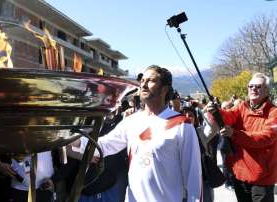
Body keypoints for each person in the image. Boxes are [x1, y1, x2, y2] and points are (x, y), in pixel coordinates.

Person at [71, 65, 202, 202]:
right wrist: (71, 140)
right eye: (142, 80)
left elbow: (193, 177)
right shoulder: (131, 121)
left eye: (151, 80)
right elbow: (104, 145)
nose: (144, 85)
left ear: (164, 89)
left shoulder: (182, 125)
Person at [207, 72, 277, 202]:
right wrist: (216, 112)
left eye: (258, 86)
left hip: (262, 178)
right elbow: (227, 117)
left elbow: (266, 137)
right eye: (250, 86)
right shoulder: (242, 107)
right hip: (240, 173)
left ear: (267, 91)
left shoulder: (274, 112)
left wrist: (235, 134)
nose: (253, 89)